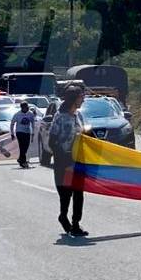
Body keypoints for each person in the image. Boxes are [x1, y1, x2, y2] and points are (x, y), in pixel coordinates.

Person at [48, 84, 88, 236]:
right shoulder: (60, 117)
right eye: (81, 97)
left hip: (78, 162)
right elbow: (52, 141)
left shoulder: (79, 116)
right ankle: (63, 216)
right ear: (74, 98)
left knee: (79, 193)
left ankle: (76, 223)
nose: (83, 100)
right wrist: (66, 162)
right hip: (64, 163)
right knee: (66, 194)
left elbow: (84, 136)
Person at [10, 101, 38, 168]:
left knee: (26, 146)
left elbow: (33, 123)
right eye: (25, 107)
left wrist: (33, 132)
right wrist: (12, 133)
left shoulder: (30, 114)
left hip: (27, 132)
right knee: (22, 146)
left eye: (27, 107)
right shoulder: (17, 114)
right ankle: (23, 162)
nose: (27, 108)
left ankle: (20, 159)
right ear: (22, 108)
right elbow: (12, 123)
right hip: (19, 132)